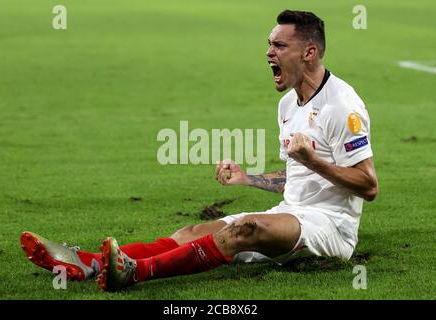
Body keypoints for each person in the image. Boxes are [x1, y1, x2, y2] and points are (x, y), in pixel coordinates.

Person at [21, 9, 378, 292]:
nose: (269, 52)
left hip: (331, 227)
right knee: (194, 231)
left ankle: (132, 273)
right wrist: (248, 178)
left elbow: (368, 185)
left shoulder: (341, 106)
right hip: (291, 213)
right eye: (269, 44)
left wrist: (313, 160)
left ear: (310, 52)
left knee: (246, 228)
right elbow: (297, 177)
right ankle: (87, 262)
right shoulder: (288, 105)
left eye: (280, 46)